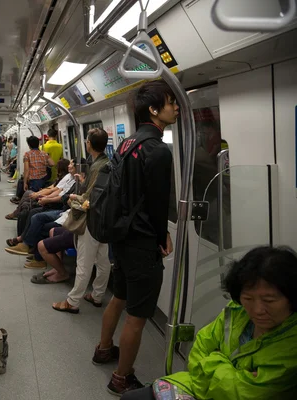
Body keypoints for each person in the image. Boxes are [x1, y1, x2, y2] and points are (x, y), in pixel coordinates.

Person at [122, 246, 297, 400]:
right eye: (248, 298)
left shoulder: (291, 344)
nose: (257, 309)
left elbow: (244, 394)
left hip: (208, 388)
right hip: (200, 388)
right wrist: (229, 370)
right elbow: (198, 350)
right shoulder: (236, 311)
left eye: (269, 300)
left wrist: (213, 358)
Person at [94, 81, 177, 395]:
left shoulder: (128, 143)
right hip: (142, 242)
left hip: (121, 238)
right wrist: (162, 236)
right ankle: (121, 377)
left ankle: (103, 348)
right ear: (154, 110)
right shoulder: (157, 150)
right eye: (171, 102)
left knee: (120, 296)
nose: (176, 107)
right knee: (138, 316)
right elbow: (157, 203)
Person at [52, 128, 111, 313]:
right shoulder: (106, 163)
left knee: (84, 262)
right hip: (105, 219)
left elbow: (89, 197)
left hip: (92, 220)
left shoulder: (97, 166)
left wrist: (74, 198)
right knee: (103, 260)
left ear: (89, 144)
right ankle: (97, 295)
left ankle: (73, 301)